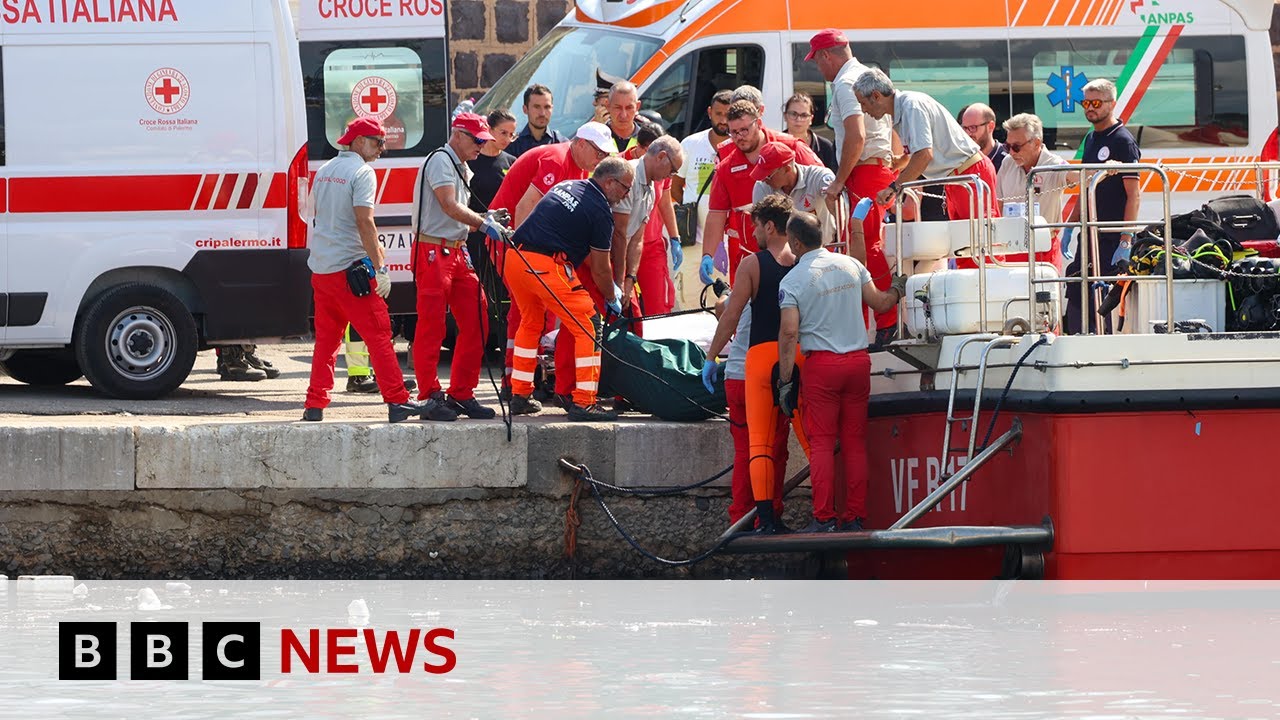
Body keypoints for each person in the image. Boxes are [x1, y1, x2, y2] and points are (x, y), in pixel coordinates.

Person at [776, 212, 907, 532]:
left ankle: (824, 518)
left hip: (823, 367)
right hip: (858, 362)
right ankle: (856, 516)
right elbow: (880, 303)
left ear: (794, 242)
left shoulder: (791, 280)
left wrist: (784, 380)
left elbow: (789, 333)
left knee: (821, 444)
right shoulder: (851, 265)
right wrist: (899, 289)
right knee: (854, 442)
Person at [301, 116, 435, 424]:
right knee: (379, 335)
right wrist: (381, 266)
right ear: (359, 142)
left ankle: (315, 405)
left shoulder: (324, 171)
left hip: (321, 270)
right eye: (377, 142)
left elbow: (317, 216)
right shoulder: (361, 173)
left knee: (326, 340)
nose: (381, 150)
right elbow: (365, 222)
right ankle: (398, 401)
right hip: (351, 271)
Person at [702, 194, 808, 534]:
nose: (753, 233)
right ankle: (773, 516)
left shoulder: (752, 265)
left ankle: (741, 520)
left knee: (748, 450)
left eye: (756, 226)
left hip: (746, 372)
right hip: (788, 370)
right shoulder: (804, 263)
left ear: (770, 226)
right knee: (777, 451)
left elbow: (730, 316)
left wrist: (709, 357)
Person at [489, 121, 618, 394]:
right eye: (597, 152)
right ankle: (513, 381)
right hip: (511, 240)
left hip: (525, 245)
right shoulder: (557, 160)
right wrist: (524, 254)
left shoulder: (581, 166)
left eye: (604, 156)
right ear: (580, 143)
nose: (600, 160)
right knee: (524, 313)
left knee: (535, 315)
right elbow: (525, 206)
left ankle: (523, 384)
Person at [505, 157, 635, 421]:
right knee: (589, 324)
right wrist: (611, 296)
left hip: (515, 258)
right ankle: (584, 402)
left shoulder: (567, 186)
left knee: (530, 323)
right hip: (545, 265)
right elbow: (600, 269)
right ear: (609, 182)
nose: (626, 194)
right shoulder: (600, 211)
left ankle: (520, 395)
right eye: (625, 187)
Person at [409, 112, 505, 420]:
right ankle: (429, 395)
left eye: (483, 140)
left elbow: (454, 207)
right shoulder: (441, 160)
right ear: (458, 135)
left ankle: (461, 392)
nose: (481, 146)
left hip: (454, 250)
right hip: (433, 249)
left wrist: (487, 218)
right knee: (432, 326)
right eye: (477, 140)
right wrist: (482, 222)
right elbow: (448, 204)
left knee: (477, 318)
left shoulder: (459, 164)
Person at [807, 30, 901, 339]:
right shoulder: (868, 75)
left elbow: (857, 136)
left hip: (864, 173)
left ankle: (885, 324)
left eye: (818, 61)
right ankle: (874, 323)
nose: (818, 69)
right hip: (876, 170)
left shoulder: (846, 84)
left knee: (865, 246)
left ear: (826, 56)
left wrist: (838, 182)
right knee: (863, 247)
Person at [700, 99, 823, 286]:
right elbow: (716, 214)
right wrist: (707, 255)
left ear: (758, 123)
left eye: (744, 130)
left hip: (801, 256)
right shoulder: (726, 168)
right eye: (733, 132)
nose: (739, 137)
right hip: (753, 256)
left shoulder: (791, 148)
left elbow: (824, 187)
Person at [854, 68, 1000, 221]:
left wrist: (894, 187)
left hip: (969, 173)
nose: (863, 110)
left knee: (982, 239)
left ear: (876, 96)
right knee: (965, 240)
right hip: (960, 175)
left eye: (863, 103)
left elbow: (924, 154)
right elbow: (921, 151)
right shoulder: (903, 110)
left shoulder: (911, 106)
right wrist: (901, 161)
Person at [1064, 78, 1142, 335]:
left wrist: (1126, 239)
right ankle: (1078, 340)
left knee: (1105, 297)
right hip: (1089, 235)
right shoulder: (1091, 139)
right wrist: (1069, 227)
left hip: (1110, 235)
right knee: (1077, 290)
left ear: (1112, 104)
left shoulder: (1123, 140)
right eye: (1085, 103)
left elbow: (1134, 195)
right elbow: (1087, 186)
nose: (1090, 108)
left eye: (1096, 103)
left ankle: (1107, 344)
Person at [672, 90, 732, 306]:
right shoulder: (691, 144)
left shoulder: (741, 145)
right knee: (690, 303)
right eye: (718, 114)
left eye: (728, 114)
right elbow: (675, 186)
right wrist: (689, 217)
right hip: (693, 241)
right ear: (709, 113)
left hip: (727, 245)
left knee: (726, 305)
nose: (723, 120)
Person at [465, 110, 518, 351]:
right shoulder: (472, 162)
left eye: (511, 134)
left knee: (505, 295)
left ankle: (502, 344)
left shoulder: (511, 162)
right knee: (477, 295)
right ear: (489, 130)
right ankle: (479, 346)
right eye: (502, 133)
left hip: (503, 240)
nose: (507, 139)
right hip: (475, 237)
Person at [995, 112, 1070, 265]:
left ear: (1036, 143)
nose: (1011, 152)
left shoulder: (1053, 164)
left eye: (1016, 147)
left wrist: (1104, 170)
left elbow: (1078, 176)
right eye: (1007, 146)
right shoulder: (1007, 162)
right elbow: (998, 206)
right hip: (1010, 247)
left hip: (1043, 249)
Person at [750, 141, 836, 242]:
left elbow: (839, 208)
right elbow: (761, 227)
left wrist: (832, 200)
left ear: (787, 169)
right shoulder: (761, 186)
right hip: (784, 253)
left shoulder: (819, 177)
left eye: (768, 175)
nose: (764, 179)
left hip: (823, 248)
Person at [782, 92, 837, 171]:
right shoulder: (775, 143)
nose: (798, 119)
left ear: (811, 119)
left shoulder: (824, 147)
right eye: (794, 114)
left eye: (804, 115)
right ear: (785, 116)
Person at [507, 84, 566, 158]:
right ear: (525, 109)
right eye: (537, 107)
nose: (542, 113)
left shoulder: (562, 144)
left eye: (547, 107)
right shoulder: (513, 146)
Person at [959, 102, 1008, 172]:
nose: (968, 133)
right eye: (964, 128)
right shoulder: (960, 161)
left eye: (973, 127)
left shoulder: (1006, 161)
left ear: (991, 126)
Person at [607, 81, 642, 155]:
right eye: (618, 108)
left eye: (629, 108)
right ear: (608, 106)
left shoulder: (648, 142)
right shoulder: (595, 141)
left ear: (637, 106)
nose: (623, 115)